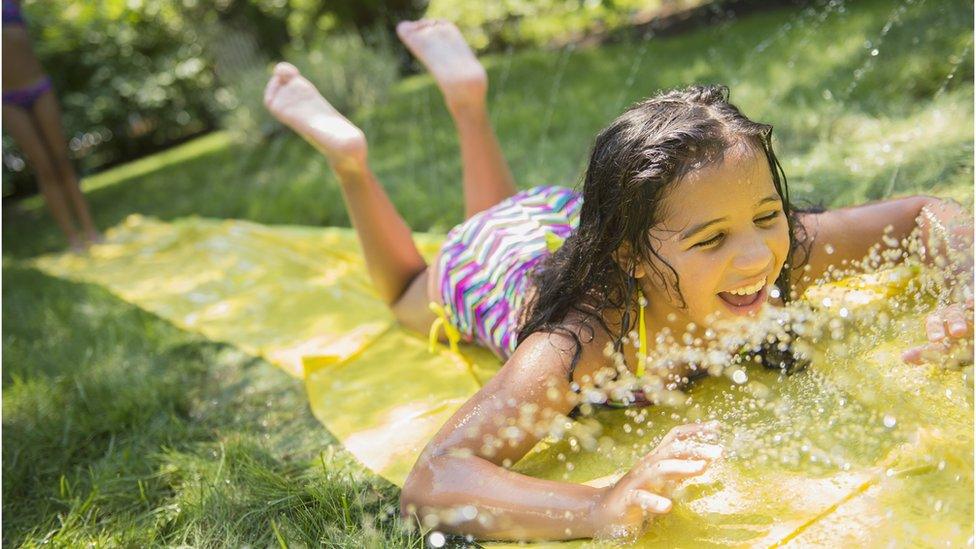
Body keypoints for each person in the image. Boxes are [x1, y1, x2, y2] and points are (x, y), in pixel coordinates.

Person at [264, 19, 973, 541]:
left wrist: (966, 287)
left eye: (766, 214)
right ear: (632, 254)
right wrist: (598, 502)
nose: (756, 255)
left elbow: (923, 214)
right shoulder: (583, 342)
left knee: (507, 213)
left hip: (559, 220)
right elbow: (432, 480)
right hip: (493, 261)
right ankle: (351, 159)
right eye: (714, 238)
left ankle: (468, 98)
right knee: (404, 292)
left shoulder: (770, 250)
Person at [3, 0, 100, 252]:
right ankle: (73, 238)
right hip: (7, 99)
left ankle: (90, 229)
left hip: (38, 87)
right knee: (43, 166)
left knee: (60, 159)